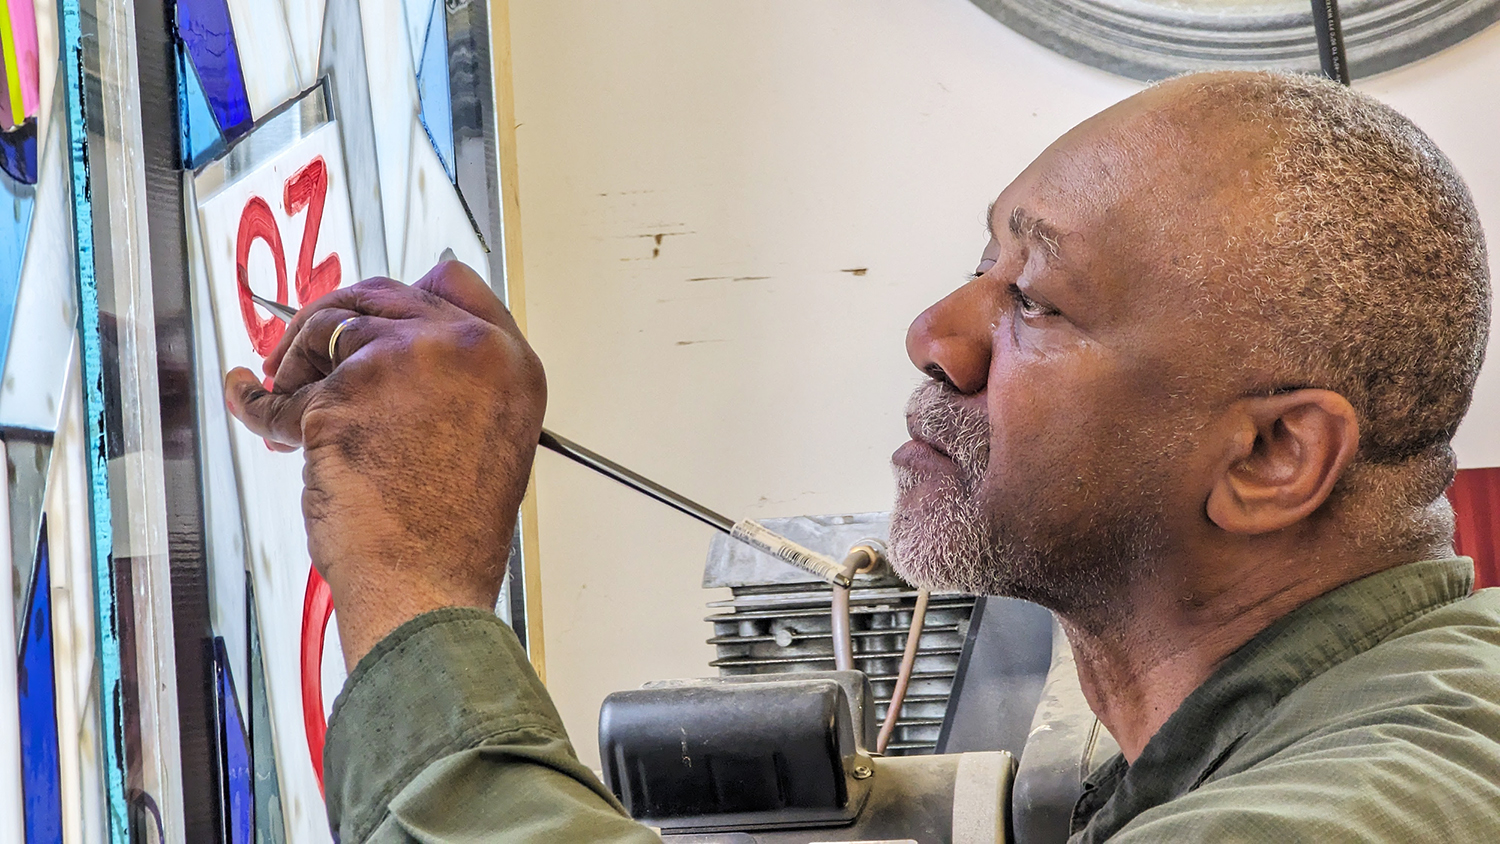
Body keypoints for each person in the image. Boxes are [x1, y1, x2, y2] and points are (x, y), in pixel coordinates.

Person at [224, 69, 1499, 843]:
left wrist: (414, 589)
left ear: (1276, 456)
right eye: (981, 261)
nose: (938, 336)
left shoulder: (1374, 804)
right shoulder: (1285, 713)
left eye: (1037, 304)